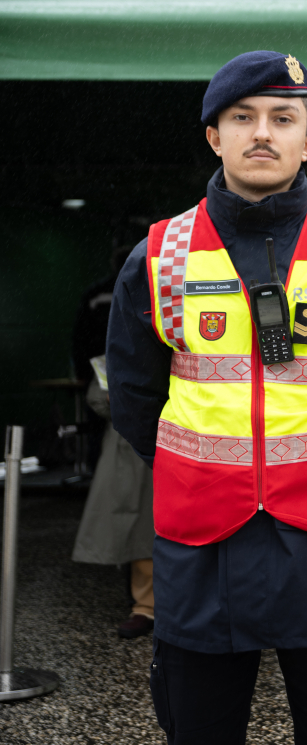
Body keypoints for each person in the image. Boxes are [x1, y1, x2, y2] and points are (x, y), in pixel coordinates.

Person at [107, 51, 307, 744]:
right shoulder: (157, 256)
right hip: (202, 541)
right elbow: (133, 396)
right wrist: (200, 469)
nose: (261, 133)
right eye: (242, 117)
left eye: (283, 119)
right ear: (213, 137)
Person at [72, 246, 158, 639]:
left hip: (199, 437)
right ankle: (147, 605)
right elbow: (97, 390)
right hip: (138, 442)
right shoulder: (115, 314)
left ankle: (185, 604)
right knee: (141, 522)